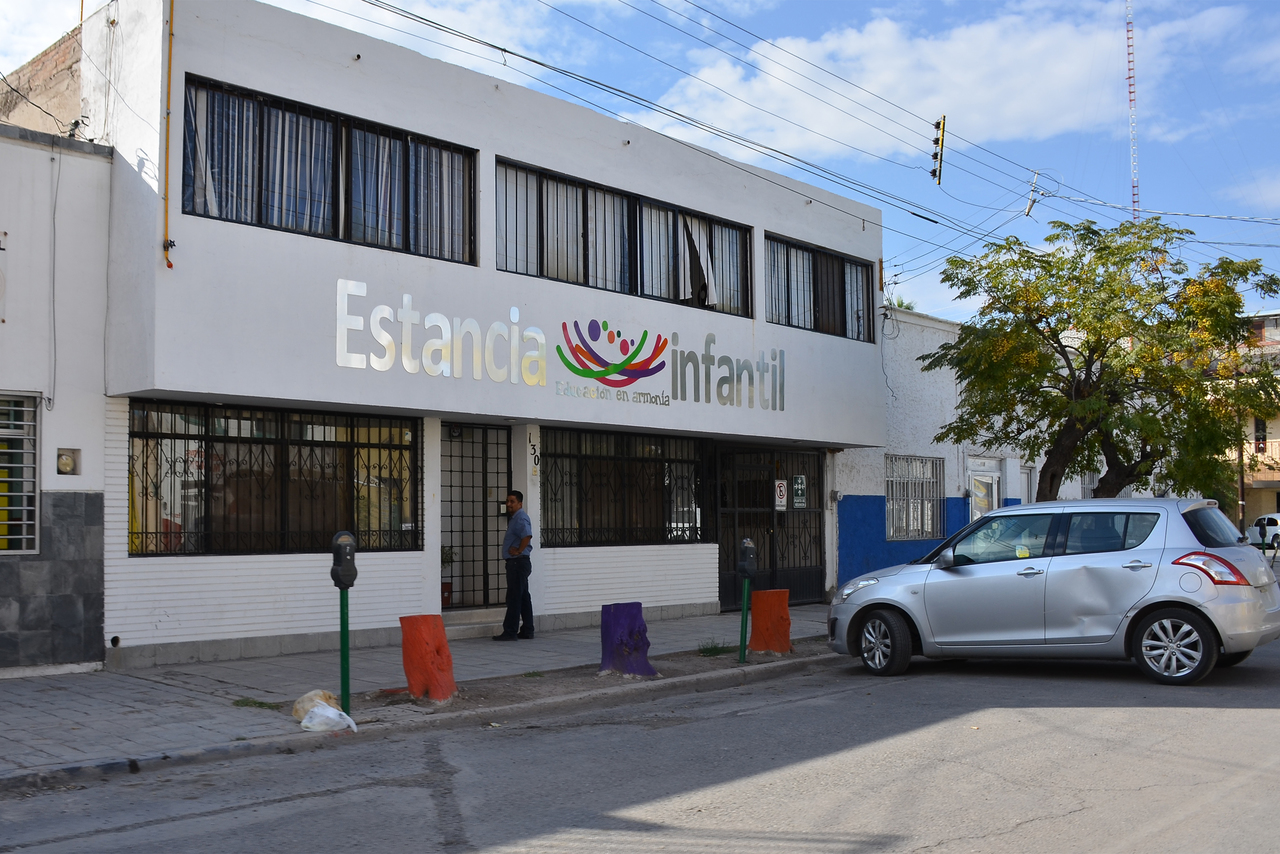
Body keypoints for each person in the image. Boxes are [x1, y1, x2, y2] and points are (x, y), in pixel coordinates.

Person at [494, 490, 534, 641]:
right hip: (519, 562)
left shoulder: (520, 518)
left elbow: (527, 535)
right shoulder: (515, 518)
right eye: (507, 501)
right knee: (523, 597)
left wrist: (518, 550)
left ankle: (510, 631)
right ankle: (527, 629)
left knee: (514, 597)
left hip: (517, 562)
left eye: (512, 501)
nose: (509, 504)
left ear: (520, 504)